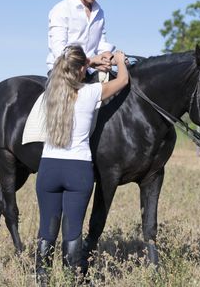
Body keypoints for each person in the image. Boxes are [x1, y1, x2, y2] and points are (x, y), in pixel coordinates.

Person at [35, 45, 129, 285]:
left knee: (47, 229)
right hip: (78, 170)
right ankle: (72, 279)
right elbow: (123, 81)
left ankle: (41, 278)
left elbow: (70, 66)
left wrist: (88, 62)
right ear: (80, 72)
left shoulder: (50, 93)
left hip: (48, 169)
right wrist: (119, 60)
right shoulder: (91, 92)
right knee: (73, 230)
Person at [46, 0, 115, 75]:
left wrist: (109, 57)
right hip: (63, 72)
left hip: (88, 72)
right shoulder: (61, 9)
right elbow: (59, 52)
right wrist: (90, 61)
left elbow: (101, 43)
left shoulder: (99, 12)